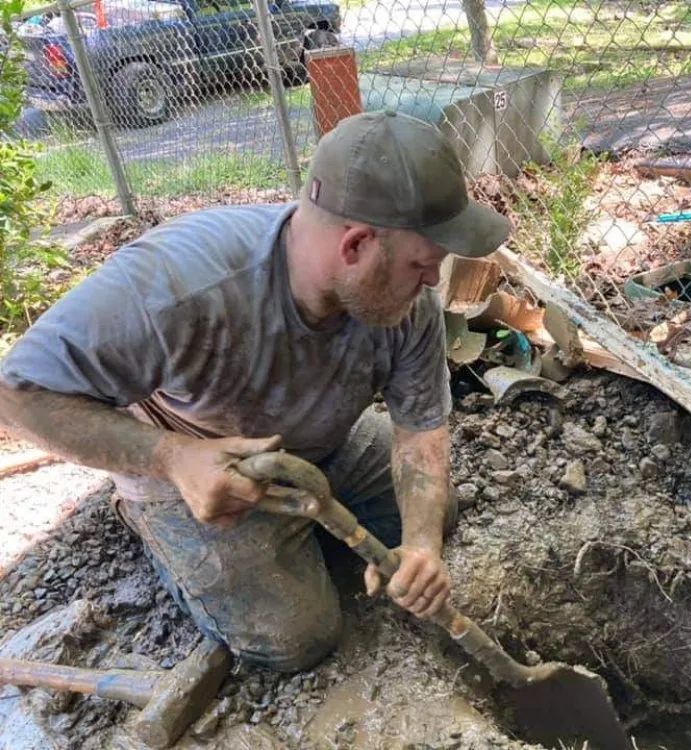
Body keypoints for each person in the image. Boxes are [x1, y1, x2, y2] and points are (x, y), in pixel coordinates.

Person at [0, 109, 511, 672]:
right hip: (201, 463)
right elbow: (16, 395)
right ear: (356, 245)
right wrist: (170, 458)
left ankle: (304, 534)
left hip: (320, 445)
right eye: (423, 264)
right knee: (298, 640)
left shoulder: (406, 301)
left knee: (438, 515)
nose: (434, 281)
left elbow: (419, 433)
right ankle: (154, 523)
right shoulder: (179, 285)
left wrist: (421, 546)